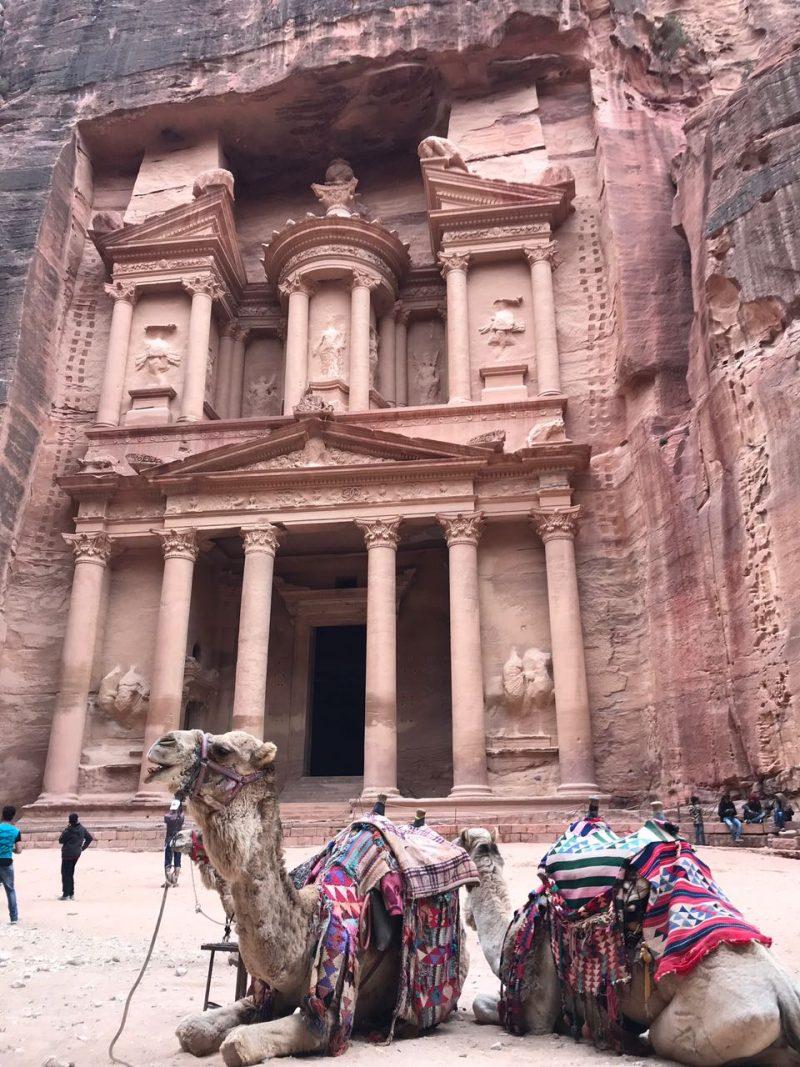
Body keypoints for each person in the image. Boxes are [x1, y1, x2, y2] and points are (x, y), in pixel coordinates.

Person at [58, 812, 93, 900]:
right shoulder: (82, 829)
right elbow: (89, 838)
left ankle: (66, 894)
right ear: (77, 819)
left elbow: (61, 840)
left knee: (65, 873)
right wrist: (82, 848)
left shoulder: (68, 831)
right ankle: (71, 893)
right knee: (70, 873)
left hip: (67, 854)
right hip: (76, 853)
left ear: (70, 821)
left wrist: (65, 830)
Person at [0, 805, 22, 924]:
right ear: (13, 816)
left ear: (2, 814)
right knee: (10, 890)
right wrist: (10, 850)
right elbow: (19, 850)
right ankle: (13, 918)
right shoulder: (16, 831)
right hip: (6, 862)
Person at [163, 799, 185, 887]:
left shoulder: (167, 816)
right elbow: (181, 815)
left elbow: (167, 817)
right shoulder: (181, 816)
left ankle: (168, 881)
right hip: (178, 840)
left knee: (168, 860)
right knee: (177, 859)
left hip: (169, 840)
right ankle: (175, 880)